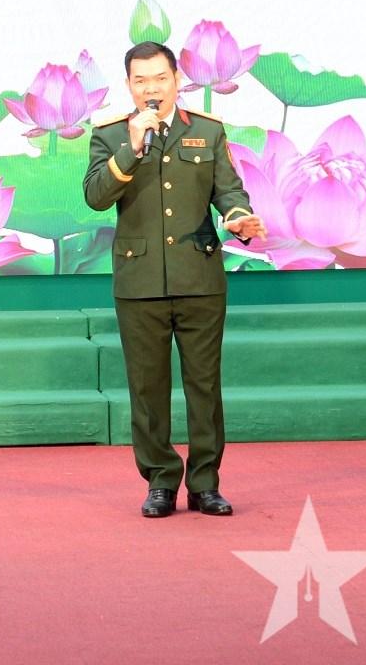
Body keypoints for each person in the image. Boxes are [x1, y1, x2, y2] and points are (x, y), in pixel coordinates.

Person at [82, 41, 265, 519]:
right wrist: (132, 147)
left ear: (177, 80)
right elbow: (96, 196)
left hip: (199, 276)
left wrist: (238, 217)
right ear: (129, 86)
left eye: (160, 78)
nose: (152, 88)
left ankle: (205, 484)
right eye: (141, 80)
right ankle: (160, 480)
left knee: (204, 386)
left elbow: (229, 190)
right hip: (139, 281)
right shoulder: (110, 135)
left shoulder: (206, 130)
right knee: (148, 388)